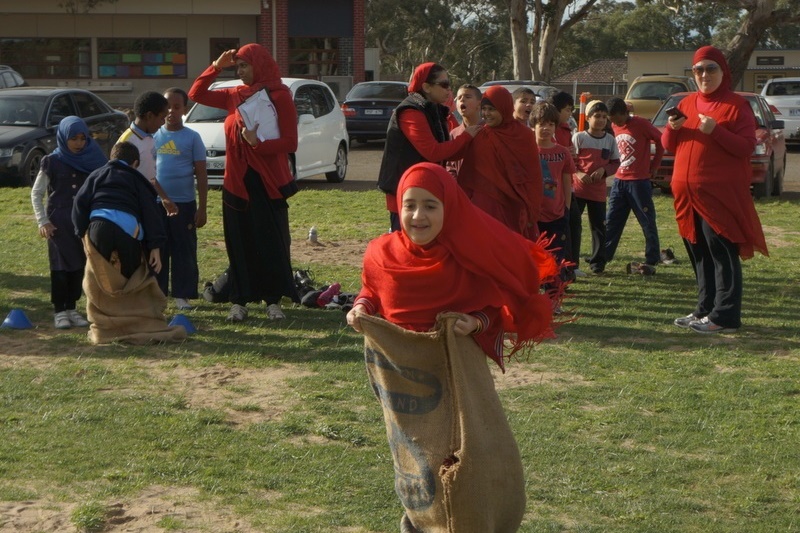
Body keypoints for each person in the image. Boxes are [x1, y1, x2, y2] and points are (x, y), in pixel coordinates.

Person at [347, 162, 558, 368]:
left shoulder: (466, 256)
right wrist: (361, 306)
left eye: (430, 206)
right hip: (396, 370)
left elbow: (492, 303)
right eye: (409, 205)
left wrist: (476, 323)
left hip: (452, 369)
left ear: (449, 207)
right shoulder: (381, 253)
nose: (418, 216)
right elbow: (373, 290)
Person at [189, 43, 299, 322]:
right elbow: (196, 94)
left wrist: (258, 144)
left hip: (267, 183)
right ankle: (239, 301)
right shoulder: (233, 95)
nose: (239, 71)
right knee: (239, 242)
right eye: (236, 66)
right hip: (236, 182)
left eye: (244, 65)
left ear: (259, 64)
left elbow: (290, 142)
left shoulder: (279, 96)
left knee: (271, 242)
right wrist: (216, 67)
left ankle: (273, 301)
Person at [662, 45, 768, 334]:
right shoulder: (685, 104)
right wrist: (671, 127)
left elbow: (746, 146)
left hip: (717, 196)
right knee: (699, 253)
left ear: (723, 71)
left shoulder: (735, 106)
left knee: (721, 253)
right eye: (698, 69)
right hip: (687, 196)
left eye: (711, 68)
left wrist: (716, 131)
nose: (704, 74)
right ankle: (704, 309)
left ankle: (725, 316)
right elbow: (669, 146)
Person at [72, 142, 186, 344]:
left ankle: (104, 327)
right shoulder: (138, 180)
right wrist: (156, 247)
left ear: (111, 158)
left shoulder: (97, 175)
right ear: (134, 163)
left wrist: (82, 234)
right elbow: (151, 214)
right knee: (130, 278)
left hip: (98, 226)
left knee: (100, 277)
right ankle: (132, 322)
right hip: (128, 230)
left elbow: (79, 204)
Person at [377, 62, 481, 231]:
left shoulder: (433, 110)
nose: (449, 90)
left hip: (424, 190)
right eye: (444, 84)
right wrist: (466, 136)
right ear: (426, 86)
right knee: (407, 247)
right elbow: (433, 152)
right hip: (405, 194)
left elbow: (446, 152)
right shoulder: (411, 112)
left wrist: (471, 141)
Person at [31, 116, 107, 329]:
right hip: (57, 222)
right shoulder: (52, 161)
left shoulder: (93, 159)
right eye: (74, 138)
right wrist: (43, 221)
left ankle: (72, 308)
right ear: (64, 138)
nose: (79, 143)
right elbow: (36, 194)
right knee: (60, 266)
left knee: (78, 265)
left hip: (82, 221)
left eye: (83, 138)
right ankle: (59, 311)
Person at [457, 85, 542, 240]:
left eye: (492, 109)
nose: (487, 114)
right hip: (483, 205)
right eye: (484, 109)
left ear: (504, 107)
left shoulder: (523, 135)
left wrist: (532, 209)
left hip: (513, 206)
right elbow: (468, 172)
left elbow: (533, 174)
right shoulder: (479, 133)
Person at [154, 87, 209, 310]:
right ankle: (157, 294)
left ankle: (182, 295)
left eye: (177, 107)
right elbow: (148, 172)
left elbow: (202, 174)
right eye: (167, 107)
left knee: (183, 250)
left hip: (184, 204)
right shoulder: (154, 136)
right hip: (158, 204)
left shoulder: (192, 138)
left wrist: (202, 207)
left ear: (185, 109)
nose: (171, 112)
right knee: (158, 249)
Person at [605, 96, 665, 273]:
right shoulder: (613, 125)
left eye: (618, 119)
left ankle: (652, 257)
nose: (615, 123)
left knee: (647, 221)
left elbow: (661, 142)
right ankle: (604, 255)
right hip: (619, 181)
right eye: (612, 120)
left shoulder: (641, 124)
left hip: (639, 182)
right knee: (612, 221)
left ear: (625, 113)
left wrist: (655, 166)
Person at [569, 100, 620, 275]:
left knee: (598, 227)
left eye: (604, 117)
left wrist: (604, 170)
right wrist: (578, 173)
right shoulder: (579, 137)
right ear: (588, 118)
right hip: (579, 190)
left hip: (598, 193)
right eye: (597, 116)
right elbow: (570, 161)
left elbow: (615, 162)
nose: (600, 120)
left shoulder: (610, 140)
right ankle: (571, 263)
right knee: (574, 226)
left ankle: (598, 264)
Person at [116, 91, 178, 217]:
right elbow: (118, 179)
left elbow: (150, 176)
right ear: (149, 116)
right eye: (162, 118)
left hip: (147, 203)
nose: (163, 123)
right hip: (131, 207)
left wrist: (164, 198)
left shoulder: (149, 137)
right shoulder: (127, 143)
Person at [531, 102, 575, 280]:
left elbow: (566, 182)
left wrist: (566, 209)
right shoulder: (527, 151)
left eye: (550, 124)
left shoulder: (563, 153)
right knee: (534, 258)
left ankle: (553, 295)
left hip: (557, 215)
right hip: (533, 216)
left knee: (555, 258)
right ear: (533, 125)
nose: (546, 128)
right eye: (541, 124)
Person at [446, 83, 482, 177]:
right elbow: (450, 166)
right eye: (459, 98)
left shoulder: (488, 130)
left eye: (468, 96)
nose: (462, 99)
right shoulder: (454, 133)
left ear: (479, 104)